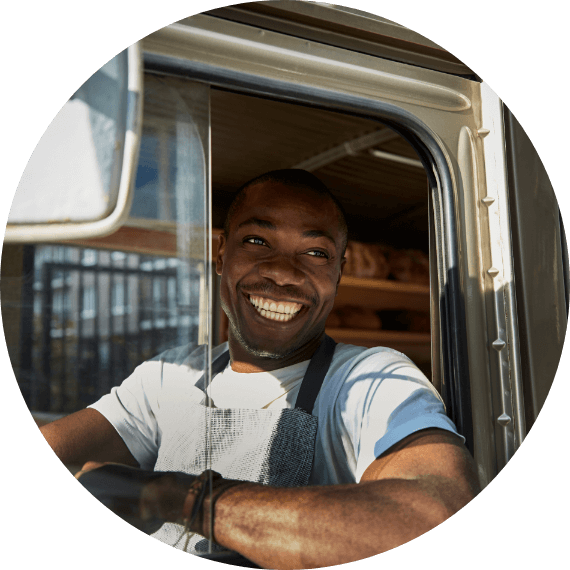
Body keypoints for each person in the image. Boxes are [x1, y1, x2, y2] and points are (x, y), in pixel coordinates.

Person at [40, 169, 480, 569]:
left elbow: (435, 512)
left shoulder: (369, 379)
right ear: (220, 254)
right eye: (257, 241)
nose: (283, 273)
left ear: (339, 274)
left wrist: (180, 498)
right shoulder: (169, 375)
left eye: (315, 252)